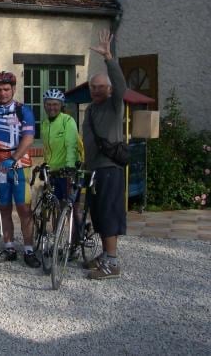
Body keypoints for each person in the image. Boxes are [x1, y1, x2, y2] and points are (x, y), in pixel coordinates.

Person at [0, 71, 41, 268]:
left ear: (13, 89)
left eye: (6, 89)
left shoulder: (24, 111)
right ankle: (9, 247)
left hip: (20, 166)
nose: (2, 93)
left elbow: (28, 139)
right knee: (3, 207)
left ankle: (29, 249)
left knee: (24, 208)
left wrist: (13, 158)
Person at [83, 29, 127, 280]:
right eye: (93, 87)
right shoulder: (91, 109)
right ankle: (105, 255)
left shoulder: (113, 105)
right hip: (94, 170)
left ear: (109, 90)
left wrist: (109, 58)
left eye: (101, 87)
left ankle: (112, 262)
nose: (97, 90)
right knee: (98, 212)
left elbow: (120, 84)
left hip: (110, 168)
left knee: (109, 212)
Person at [41, 88, 80, 200]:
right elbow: (46, 148)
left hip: (66, 171)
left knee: (69, 206)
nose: (51, 108)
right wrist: (45, 164)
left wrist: (70, 167)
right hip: (52, 172)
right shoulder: (44, 123)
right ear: (44, 105)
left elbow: (71, 145)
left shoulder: (67, 120)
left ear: (61, 105)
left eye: (55, 104)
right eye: (48, 104)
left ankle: (76, 218)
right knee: (50, 204)